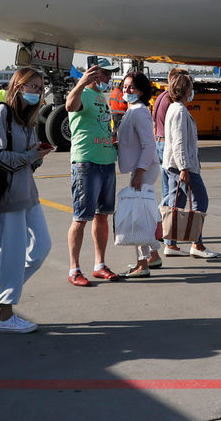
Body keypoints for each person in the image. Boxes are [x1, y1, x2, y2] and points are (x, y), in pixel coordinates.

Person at [0, 67, 57, 333]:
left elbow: (27, 159)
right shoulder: (1, 112)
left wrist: (36, 154)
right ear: (18, 86)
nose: (37, 92)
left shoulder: (27, 118)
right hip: (8, 194)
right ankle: (5, 316)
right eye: (32, 86)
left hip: (28, 191)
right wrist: (29, 156)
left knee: (42, 246)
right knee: (13, 253)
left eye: (40, 88)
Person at [64, 58, 119, 287]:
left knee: (102, 215)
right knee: (80, 218)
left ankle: (99, 265)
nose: (109, 78)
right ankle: (74, 269)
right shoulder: (84, 94)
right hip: (86, 163)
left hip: (106, 161)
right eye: (106, 74)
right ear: (95, 75)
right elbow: (69, 106)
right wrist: (80, 83)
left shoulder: (100, 97)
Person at [160, 71, 219, 259]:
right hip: (183, 166)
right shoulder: (179, 111)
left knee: (176, 203)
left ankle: (171, 244)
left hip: (172, 164)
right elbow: (179, 142)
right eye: (191, 88)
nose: (192, 92)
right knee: (200, 201)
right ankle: (197, 244)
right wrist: (185, 168)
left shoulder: (173, 108)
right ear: (185, 90)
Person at [117, 71, 162, 277]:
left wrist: (140, 173)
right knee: (142, 212)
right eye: (125, 86)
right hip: (139, 168)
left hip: (142, 169)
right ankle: (153, 255)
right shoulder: (132, 109)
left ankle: (142, 263)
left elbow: (149, 145)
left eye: (131, 87)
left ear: (141, 91)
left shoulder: (139, 111)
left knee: (138, 217)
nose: (126, 90)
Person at [154, 67, 188, 196]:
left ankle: (166, 209)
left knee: (166, 188)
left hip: (159, 142)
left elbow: (154, 123)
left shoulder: (161, 96)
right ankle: (171, 209)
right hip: (168, 144)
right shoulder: (172, 100)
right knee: (175, 191)